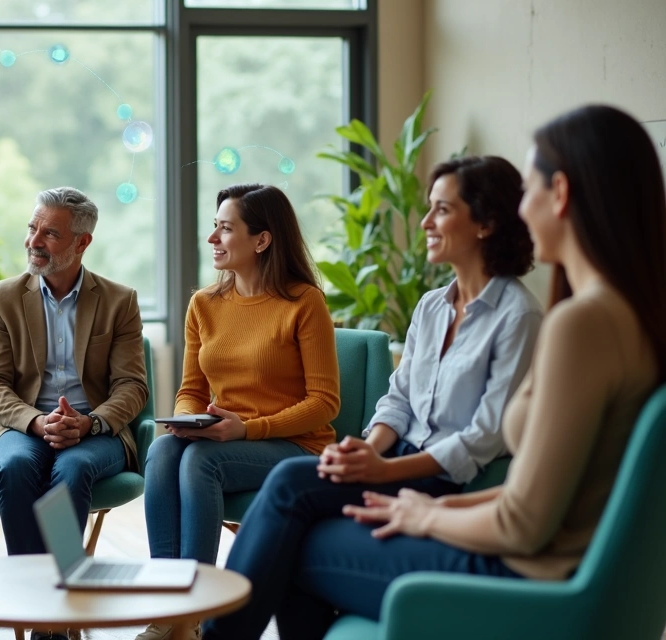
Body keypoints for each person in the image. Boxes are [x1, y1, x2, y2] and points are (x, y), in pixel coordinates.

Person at [203, 106, 666, 639]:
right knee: (296, 508)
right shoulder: (624, 317)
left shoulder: (579, 324)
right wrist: (407, 487)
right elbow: (542, 492)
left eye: (530, 189)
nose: (523, 208)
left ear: (559, 193)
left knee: (296, 535)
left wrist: (425, 514)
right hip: (538, 559)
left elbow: (524, 519)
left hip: (525, 576)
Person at [135, 184, 340, 640]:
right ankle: (168, 606)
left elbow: (324, 403)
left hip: (295, 446)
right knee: (163, 451)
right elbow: (191, 390)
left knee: (202, 462)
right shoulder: (204, 304)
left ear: (261, 240)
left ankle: (199, 616)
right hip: (221, 438)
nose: (212, 238)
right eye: (215, 226)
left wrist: (247, 429)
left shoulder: (304, 302)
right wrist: (188, 421)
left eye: (225, 229)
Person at [0, 187, 147, 624]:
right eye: (32, 228)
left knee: (72, 468)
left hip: (95, 431)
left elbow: (132, 386)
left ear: (82, 242)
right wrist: (36, 422)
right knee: (15, 467)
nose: (33, 240)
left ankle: (56, 617)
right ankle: (36, 604)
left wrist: (90, 423)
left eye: (50, 233)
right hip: (24, 426)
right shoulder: (1, 297)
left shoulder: (120, 300)